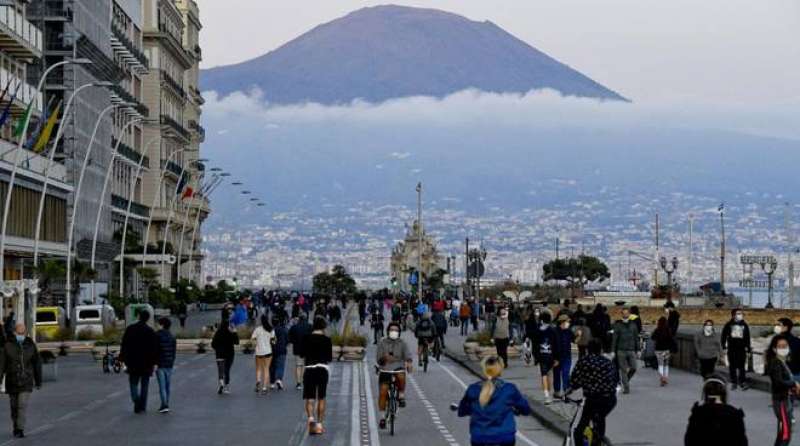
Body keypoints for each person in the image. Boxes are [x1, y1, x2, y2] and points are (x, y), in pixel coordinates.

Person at [457, 356, 531, 446]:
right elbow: (525, 409)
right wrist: (519, 410)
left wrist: (470, 409)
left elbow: (462, 411)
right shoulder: (509, 389)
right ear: (500, 370)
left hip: (480, 437)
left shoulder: (473, 389)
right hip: (504, 436)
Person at [569, 340, 619, 446]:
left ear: (587, 350)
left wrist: (568, 392)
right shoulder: (607, 362)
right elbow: (615, 380)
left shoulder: (584, 361)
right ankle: (599, 439)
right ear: (600, 350)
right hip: (610, 399)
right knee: (599, 418)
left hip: (593, 399)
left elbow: (575, 381)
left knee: (579, 430)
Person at [0, 323, 41, 438]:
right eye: (19, 333)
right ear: (15, 333)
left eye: (23, 333)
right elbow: (2, 365)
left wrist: (38, 381)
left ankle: (20, 428)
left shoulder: (30, 346)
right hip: (12, 381)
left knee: (22, 405)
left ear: (26, 333)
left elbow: (37, 364)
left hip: (26, 381)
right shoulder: (7, 346)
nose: (21, 335)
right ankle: (15, 426)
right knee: (14, 407)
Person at [684, 376, 747, 446]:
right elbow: (742, 442)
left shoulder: (698, 413)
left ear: (705, 393)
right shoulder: (734, 414)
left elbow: (689, 440)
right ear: (724, 393)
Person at [119, 310, 158, 413]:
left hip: (133, 362)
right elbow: (154, 348)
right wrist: (154, 362)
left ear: (139, 316)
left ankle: (136, 400)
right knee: (145, 385)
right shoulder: (150, 331)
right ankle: (142, 406)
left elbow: (124, 344)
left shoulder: (130, 329)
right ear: (148, 318)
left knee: (133, 383)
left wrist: (122, 358)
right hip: (147, 363)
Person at [376, 322, 413, 429]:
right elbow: (378, 359)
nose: (394, 332)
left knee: (401, 376)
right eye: (392, 330)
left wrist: (409, 363)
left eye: (396, 330)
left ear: (399, 332)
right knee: (383, 391)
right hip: (385, 370)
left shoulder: (402, 343)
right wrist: (384, 358)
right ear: (388, 331)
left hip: (398, 368)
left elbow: (408, 355)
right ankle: (382, 417)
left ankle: (401, 395)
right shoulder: (382, 343)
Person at [766, 335, 799, 446]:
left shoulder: (781, 362)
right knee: (785, 434)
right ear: (775, 349)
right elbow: (778, 382)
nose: (783, 348)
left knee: (782, 433)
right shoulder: (776, 363)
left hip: (784, 401)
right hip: (781, 402)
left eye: (785, 346)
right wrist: (793, 383)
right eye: (780, 346)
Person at [303, 317, 333, 435]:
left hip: (309, 369)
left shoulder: (306, 338)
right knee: (321, 397)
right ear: (323, 327)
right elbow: (329, 358)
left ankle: (311, 419)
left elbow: (301, 353)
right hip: (322, 369)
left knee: (310, 398)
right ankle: (319, 425)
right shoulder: (327, 340)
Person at [721, 309, 751, 390]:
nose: (740, 315)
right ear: (733, 315)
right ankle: (734, 382)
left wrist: (748, 348)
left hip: (741, 348)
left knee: (742, 366)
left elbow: (747, 337)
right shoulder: (728, 325)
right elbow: (723, 336)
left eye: (741, 313)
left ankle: (742, 382)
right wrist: (724, 346)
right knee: (732, 366)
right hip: (732, 348)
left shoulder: (744, 325)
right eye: (738, 313)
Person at [611, 307, 640, 394]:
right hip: (621, 350)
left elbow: (636, 338)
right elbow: (614, 339)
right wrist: (613, 351)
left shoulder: (633, 325)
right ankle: (626, 388)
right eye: (624, 313)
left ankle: (625, 380)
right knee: (623, 370)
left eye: (627, 313)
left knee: (634, 367)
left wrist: (638, 349)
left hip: (631, 349)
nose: (625, 315)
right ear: (622, 314)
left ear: (629, 314)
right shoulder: (618, 325)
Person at [535, 312, 560, 404]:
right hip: (551, 356)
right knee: (549, 375)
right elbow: (556, 345)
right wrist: (557, 358)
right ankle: (548, 393)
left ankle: (546, 395)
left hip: (542, 356)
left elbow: (535, 345)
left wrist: (536, 357)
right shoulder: (553, 330)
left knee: (544, 375)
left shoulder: (537, 331)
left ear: (541, 320)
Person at [212, 314, 239, 395]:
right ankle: (226, 386)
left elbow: (213, 344)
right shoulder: (230, 332)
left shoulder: (218, 333)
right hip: (229, 354)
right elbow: (237, 342)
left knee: (220, 370)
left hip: (219, 354)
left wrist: (217, 349)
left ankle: (221, 383)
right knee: (227, 370)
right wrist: (235, 332)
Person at [155, 317, 177, 413]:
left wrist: (154, 362)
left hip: (160, 363)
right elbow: (174, 351)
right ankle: (166, 403)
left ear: (162, 325)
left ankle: (164, 404)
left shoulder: (157, 336)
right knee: (167, 385)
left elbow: (154, 350)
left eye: (158, 324)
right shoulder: (172, 336)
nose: (157, 325)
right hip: (169, 363)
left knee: (162, 386)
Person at [251, 315, 275, 395]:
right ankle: (264, 387)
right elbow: (273, 340)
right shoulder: (271, 329)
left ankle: (258, 382)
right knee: (266, 369)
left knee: (258, 368)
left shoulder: (258, 329)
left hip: (259, 351)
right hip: (268, 351)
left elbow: (252, 338)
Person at [553, 314, 574, 398]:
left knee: (566, 373)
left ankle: (566, 391)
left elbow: (574, 340)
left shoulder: (569, 331)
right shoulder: (554, 331)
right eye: (567, 322)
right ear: (562, 322)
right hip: (557, 357)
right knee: (557, 374)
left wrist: (579, 335)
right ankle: (557, 392)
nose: (568, 323)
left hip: (567, 356)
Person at [289, 313, 311, 390]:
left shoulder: (294, 327)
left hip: (298, 349)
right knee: (306, 366)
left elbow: (290, 339)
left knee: (298, 366)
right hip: (308, 349)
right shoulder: (310, 327)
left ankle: (298, 383)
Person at [651, 316, 676, 386]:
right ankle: (665, 378)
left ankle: (662, 377)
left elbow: (652, 337)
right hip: (667, 350)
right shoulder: (668, 330)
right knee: (666, 365)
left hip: (658, 350)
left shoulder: (657, 330)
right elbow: (671, 340)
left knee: (660, 364)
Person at [270, 316, 289, 390]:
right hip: (281, 350)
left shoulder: (270, 330)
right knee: (280, 366)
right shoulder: (284, 330)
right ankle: (279, 379)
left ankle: (272, 382)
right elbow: (287, 339)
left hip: (271, 350)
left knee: (272, 366)